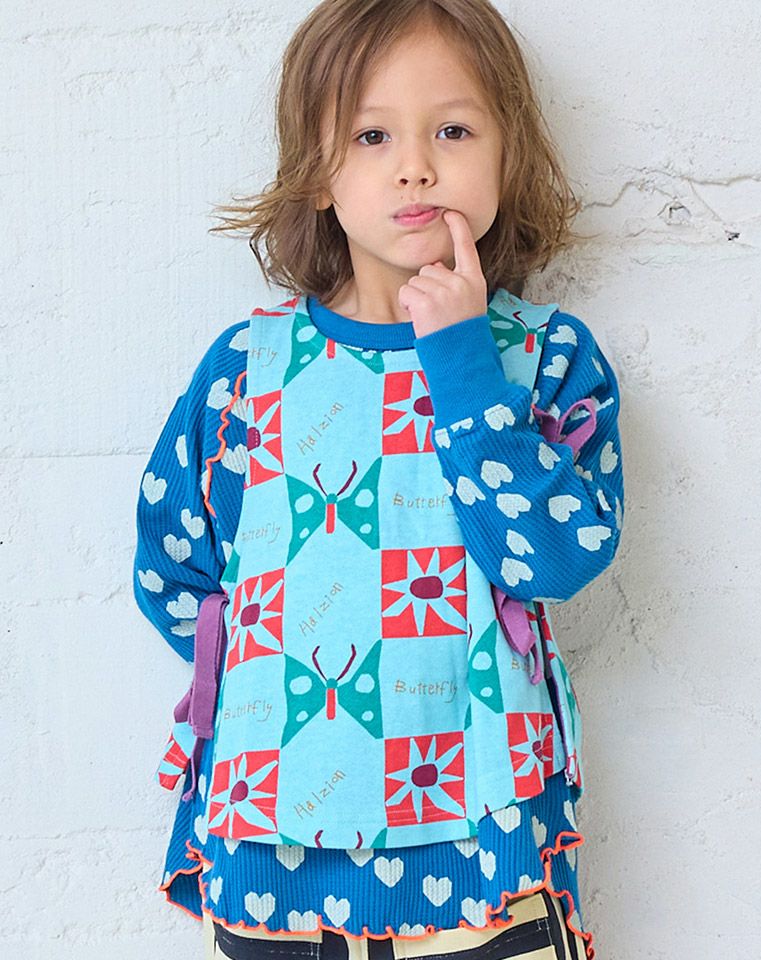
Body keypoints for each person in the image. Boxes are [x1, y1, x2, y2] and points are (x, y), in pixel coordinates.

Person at [132, 1, 624, 958]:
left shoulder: (544, 360)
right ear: (319, 174)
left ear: (508, 154)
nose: (416, 167)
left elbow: (555, 560)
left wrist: (465, 368)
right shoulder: (247, 370)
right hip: (275, 844)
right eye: (371, 135)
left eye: (453, 130)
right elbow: (176, 569)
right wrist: (283, 685)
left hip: (484, 845)